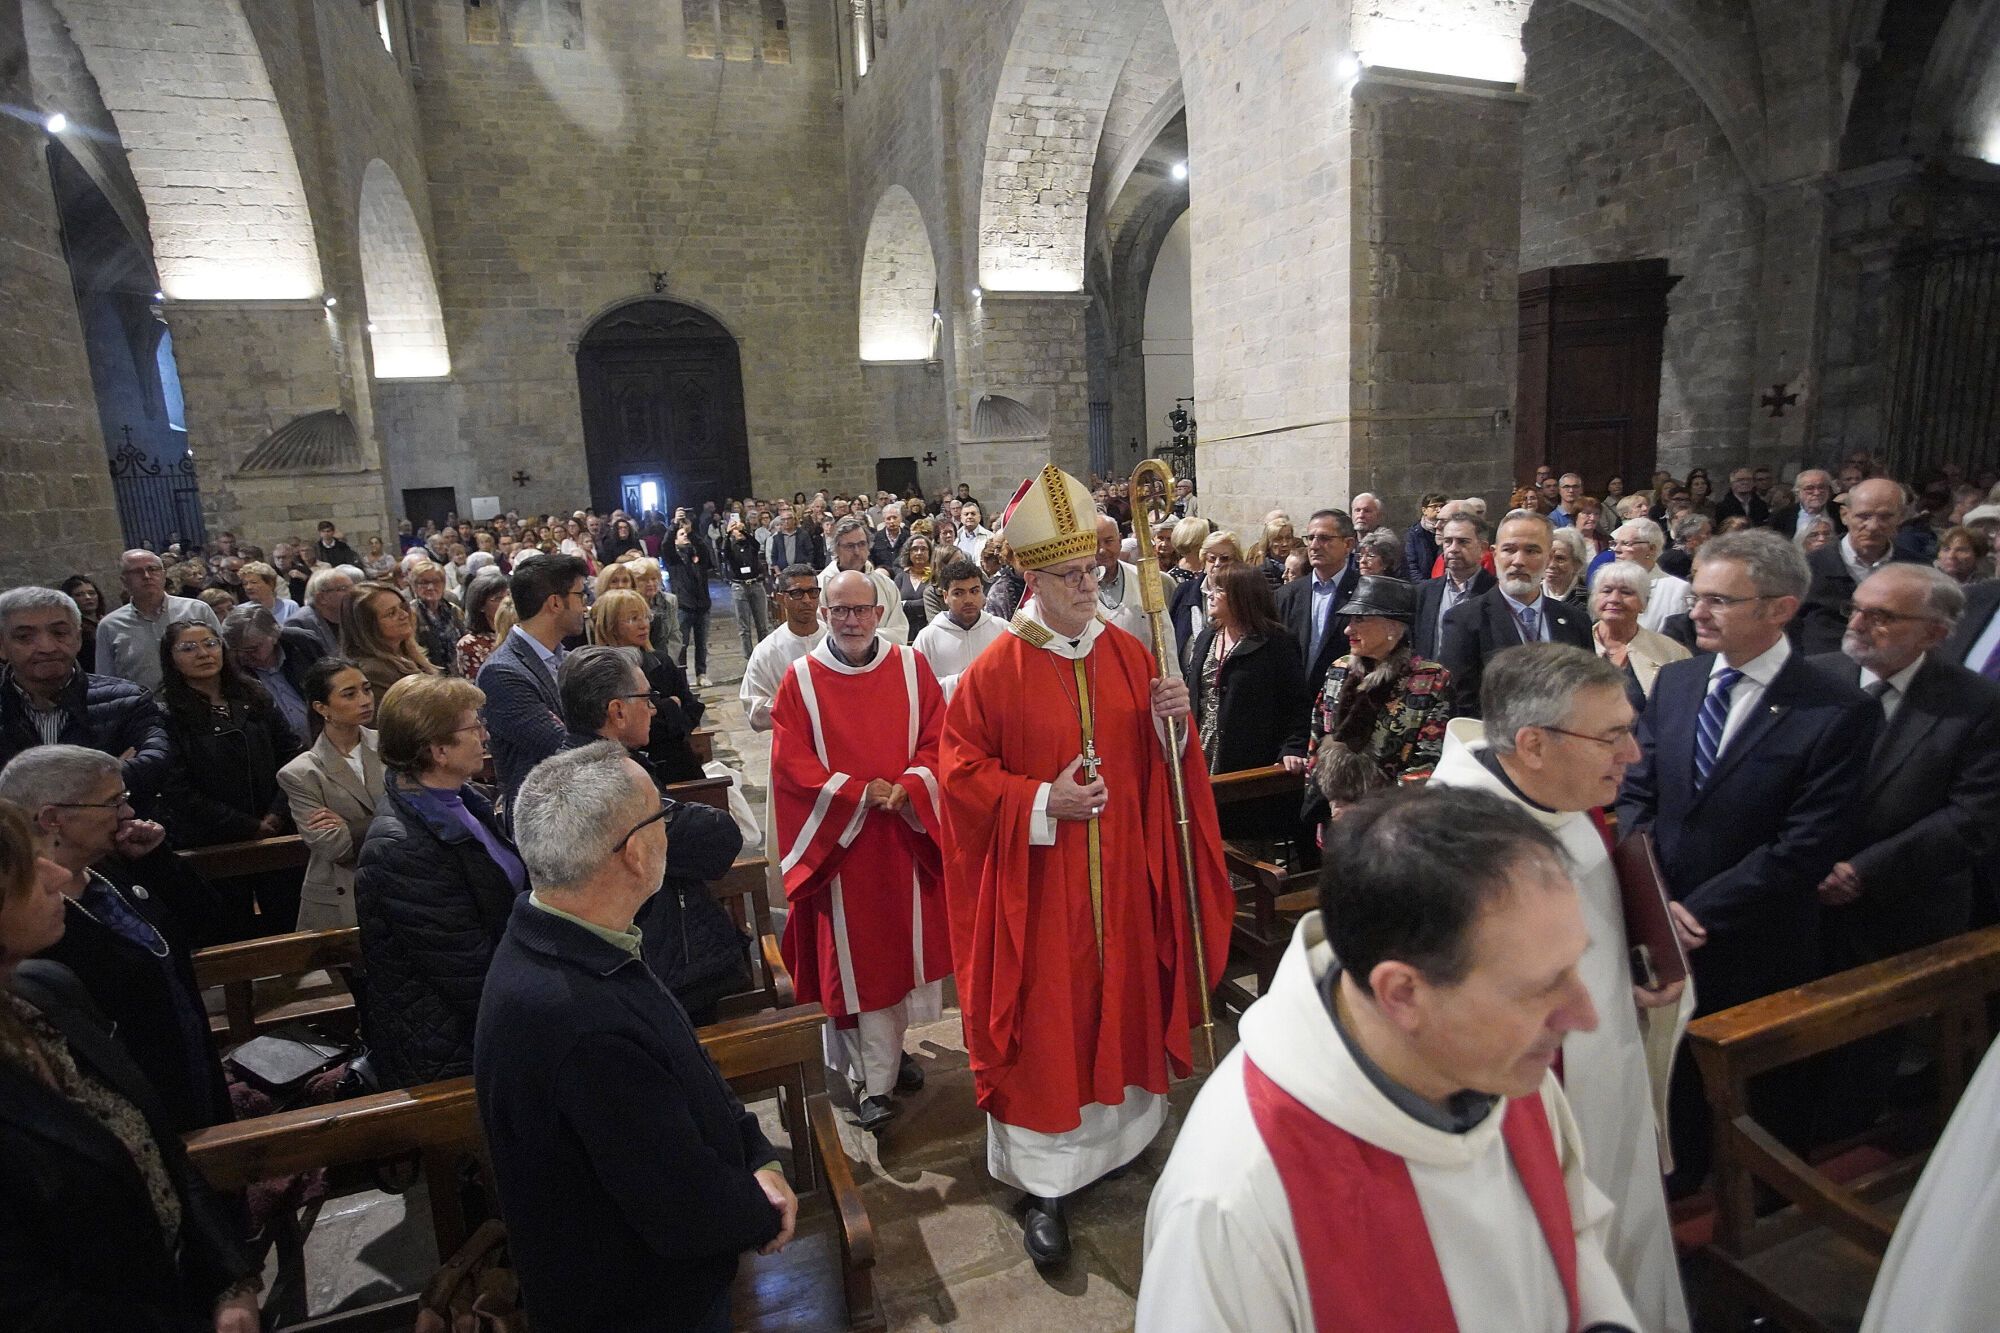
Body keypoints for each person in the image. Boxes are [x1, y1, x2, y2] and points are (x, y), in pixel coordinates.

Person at [1136, 787, 1638, 1332]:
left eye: (1573, 966)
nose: (1585, 1016)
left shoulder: (1502, 1059)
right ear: (1402, 994)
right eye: (1539, 988)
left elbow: (1569, 1231)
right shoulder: (1231, 1202)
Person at [941, 463, 1234, 1265]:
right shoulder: (993, 672)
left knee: (1122, 1000)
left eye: (1091, 569)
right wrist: (1045, 800)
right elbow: (961, 780)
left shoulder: (1132, 654)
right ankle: (1045, 1181)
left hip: (1124, 880)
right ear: (1032, 579)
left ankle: (1125, 1139)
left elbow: (1164, 769)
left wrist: (1175, 725)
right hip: (1040, 891)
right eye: (1069, 574)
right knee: (1050, 1024)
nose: (1086, 584)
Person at [477, 745, 794, 1331]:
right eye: (662, 814)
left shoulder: (577, 937)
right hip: (644, 1305)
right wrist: (763, 1210)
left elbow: (686, 1063)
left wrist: (758, 1154)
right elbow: (680, 1209)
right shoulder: (580, 1023)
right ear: (634, 851)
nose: (671, 827)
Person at [1430, 647, 1694, 1332]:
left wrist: (1631, 963)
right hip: (1532, 1108)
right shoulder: (1454, 851)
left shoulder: (1562, 796)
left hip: (1609, 1070)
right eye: (1612, 736)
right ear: (1533, 744)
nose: (1633, 754)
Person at [1615, 529, 1880, 1191]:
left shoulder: (1835, 708)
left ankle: (1763, 1212)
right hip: (1666, 927)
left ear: (1779, 608)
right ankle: (1681, 1189)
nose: (1696, 612)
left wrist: (1697, 911)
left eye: (1719, 600)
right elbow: (1636, 791)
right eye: (1696, 596)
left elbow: (1806, 844)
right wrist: (1655, 897)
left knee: (1763, 1103)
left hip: (1761, 938)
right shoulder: (1677, 681)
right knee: (1674, 1084)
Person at [0, 798, 262, 1331]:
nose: (56, 876)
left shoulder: (46, 989)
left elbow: (158, 1149)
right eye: (29, 867)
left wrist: (229, 1279)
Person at [771, 570, 950, 1131]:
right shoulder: (801, 680)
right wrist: (854, 794)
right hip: (840, 850)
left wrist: (914, 784)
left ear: (879, 612)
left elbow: (940, 740)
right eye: (840, 611)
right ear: (823, 614)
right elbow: (791, 768)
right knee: (855, 965)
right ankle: (872, 1084)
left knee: (897, 957)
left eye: (861, 610)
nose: (852, 621)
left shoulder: (911, 667)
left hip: (901, 837)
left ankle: (889, 1059)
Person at [1, 745, 238, 1132]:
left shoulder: (114, 866)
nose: (128, 812)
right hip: (131, 1106)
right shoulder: (33, 924)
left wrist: (158, 859)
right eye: (113, 802)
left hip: (193, 1070)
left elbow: (211, 923)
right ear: (52, 819)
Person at [1815, 565, 2000, 968]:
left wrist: (1863, 871)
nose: (1857, 624)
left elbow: (1974, 815)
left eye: (1880, 616)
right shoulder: (1812, 678)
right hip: (1801, 906)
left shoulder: (1978, 703)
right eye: (1855, 609)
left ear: (1934, 633)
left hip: (1906, 914)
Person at [556, 649, 746, 1022]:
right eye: (646, 697)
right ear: (617, 711)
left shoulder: (577, 763)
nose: (654, 708)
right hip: (660, 973)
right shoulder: (606, 782)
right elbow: (718, 838)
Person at [356, 674, 524, 1088]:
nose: (485, 735)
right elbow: (465, 972)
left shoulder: (466, 799)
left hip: (494, 1011)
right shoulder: (400, 848)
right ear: (438, 750)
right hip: (451, 1045)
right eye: (474, 726)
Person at [1293, 576, 1450, 830]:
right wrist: (1331, 800)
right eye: (1350, 620)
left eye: (1360, 619)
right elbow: (1316, 737)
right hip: (1334, 821)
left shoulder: (1431, 680)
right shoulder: (1339, 670)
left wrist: (1367, 811)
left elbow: (1428, 761)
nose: (1348, 630)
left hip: (1392, 827)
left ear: (1393, 628)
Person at [0, 587, 173, 807]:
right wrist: (103, 776)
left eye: (60, 633)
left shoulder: (127, 700)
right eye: (25, 637)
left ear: (78, 638)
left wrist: (25, 790)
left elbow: (156, 760)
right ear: (2, 646)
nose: (46, 647)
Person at [156, 619, 301, 878]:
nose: (203, 654)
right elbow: (176, 788)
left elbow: (292, 754)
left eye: (210, 644)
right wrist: (245, 825)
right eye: (188, 648)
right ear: (171, 659)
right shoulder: (167, 714)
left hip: (277, 826)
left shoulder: (253, 694)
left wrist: (278, 811)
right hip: (212, 840)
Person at [1440, 511, 1591, 719]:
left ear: (1548, 558)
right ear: (1494, 554)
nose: (1518, 561)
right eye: (1509, 550)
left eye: (1532, 551)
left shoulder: (1576, 621)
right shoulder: (1464, 620)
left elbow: (1587, 691)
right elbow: (1462, 704)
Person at [276, 657, 384, 931]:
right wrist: (395, 816)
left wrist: (352, 827)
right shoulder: (301, 773)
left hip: (400, 879)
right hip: (345, 892)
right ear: (322, 708)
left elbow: (422, 810)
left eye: (367, 689)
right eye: (349, 694)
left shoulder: (390, 746)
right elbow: (334, 845)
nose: (365, 700)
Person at [478, 553, 588, 813]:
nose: (585, 606)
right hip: (543, 815)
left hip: (580, 801)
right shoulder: (502, 673)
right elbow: (562, 747)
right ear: (555, 603)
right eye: (580, 596)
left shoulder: (567, 658)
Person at [1185, 562, 1309, 776]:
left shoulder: (1276, 642)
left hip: (1248, 757)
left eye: (1219, 590)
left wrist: (1293, 747)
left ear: (1241, 596)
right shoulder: (1207, 637)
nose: (1211, 595)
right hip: (1200, 751)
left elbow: (1297, 703)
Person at [1795, 478, 1926, 654]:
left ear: (1901, 517)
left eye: (1885, 517)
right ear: (1845, 515)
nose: (1873, 526)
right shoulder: (1808, 568)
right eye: (1864, 516)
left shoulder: (1918, 571)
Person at [591, 588, 705, 783]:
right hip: (629, 769)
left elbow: (691, 707)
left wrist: (665, 716)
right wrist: (669, 706)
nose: (643, 625)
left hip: (677, 761)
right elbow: (621, 727)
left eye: (646, 617)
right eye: (633, 619)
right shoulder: (602, 671)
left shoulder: (661, 661)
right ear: (611, 626)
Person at [94, 549, 224, 693]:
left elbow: (223, 655)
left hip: (200, 699)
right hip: (143, 704)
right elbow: (107, 678)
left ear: (163, 574)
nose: (146, 576)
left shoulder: (197, 610)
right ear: (124, 580)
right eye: (137, 572)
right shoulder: (110, 625)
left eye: (153, 569)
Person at [1274, 508, 1360, 690]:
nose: (1314, 545)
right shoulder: (1287, 595)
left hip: (1342, 695)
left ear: (1348, 544)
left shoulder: (1362, 593)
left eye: (1324, 538)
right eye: (1310, 538)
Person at [1590, 560, 1691, 709]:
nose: (1614, 599)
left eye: (1626, 592)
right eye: (1606, 591)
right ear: (1594, 598)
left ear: (1644, 602)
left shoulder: (1672, 653)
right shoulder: (1573, 642)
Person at [739, 564, 823, 734]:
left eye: (813, 592)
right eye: (797, 593)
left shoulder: (835, 639)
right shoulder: (766, 651)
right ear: (780, 598)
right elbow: (755, 711)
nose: (807, 600)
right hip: (792, 739)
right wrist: (804, 711)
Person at [912, 555, 1007, 701]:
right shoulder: (928, 637)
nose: (968, 600)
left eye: (974, 591)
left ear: (982, 592)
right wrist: (959, 681)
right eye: (958, 593)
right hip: (948, 713)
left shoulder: (1002, 630)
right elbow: (917, 688)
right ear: (945, 596)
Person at [1092, 513, 1179, 661]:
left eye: (1108, 541)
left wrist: (1171, 672)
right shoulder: (1074, 585)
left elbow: (1164, 635)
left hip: (1140, 670)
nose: (1102, 550)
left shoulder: (1145, 579)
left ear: (1120, 540)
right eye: (1095, 543)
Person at [340, 582, 439, 707]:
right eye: (391, 613)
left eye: (402, 607)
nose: (404, 615)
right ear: (368, 627)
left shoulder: (407, 654)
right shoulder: (372, 672)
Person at [1413, 513, 1495, 661]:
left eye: (1463, 542)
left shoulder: (1495, 592)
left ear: (1483, 548)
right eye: (1448, 541)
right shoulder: (1425, 591)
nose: (1453, 548)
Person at [816, 517, 911, 644]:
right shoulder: (820, 585)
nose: (857, 552)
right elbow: (819, 633)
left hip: (880, 654)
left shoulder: (886, 585)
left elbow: (899, 631)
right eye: (850, 546)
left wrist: (862, 636)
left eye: (861, 544)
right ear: (836, 549)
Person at [1606, 517, 1692, 634]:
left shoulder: (1676, 589)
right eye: (1615, 544)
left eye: (1626, 543)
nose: (1617, 549)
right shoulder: (1608, 585)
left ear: (1651, 549)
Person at [665, 521, 715, 686]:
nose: (685, 535)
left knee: (701, 643)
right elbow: (666, 545)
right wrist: (674, 526)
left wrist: (691, 531)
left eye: (686, 533)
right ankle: (682, 676)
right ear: (675, 540)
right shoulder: (673, 558)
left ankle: (701, 674)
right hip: (684, 606)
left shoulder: (698, 555)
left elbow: (704, 549)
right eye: (681, 534)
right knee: (682, 643)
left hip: (702, 606)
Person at [720, 518, 771, 657]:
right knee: (744, 626)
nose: (739, 532)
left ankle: (764, 654)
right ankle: (748, 655)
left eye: (740, 529)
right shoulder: (731, 548)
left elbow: (756, 543)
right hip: (740, 586)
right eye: (736, 530)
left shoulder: (751, 546)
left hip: (755, 584)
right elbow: (724, 551)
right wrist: (728, 533)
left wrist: (743, 531)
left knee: (762, 624)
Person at [407, 562, 466, 675]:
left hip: (458, 673)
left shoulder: (453, 610)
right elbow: (412, 650)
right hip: (429, 676)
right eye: (424, 583)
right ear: (414, 586)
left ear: (443, 584)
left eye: (436, 581)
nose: (431, 587)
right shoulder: (410, 614)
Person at [453, 568, 510, 679]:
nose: (507, 601)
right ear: (481, 606)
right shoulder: (469, 644)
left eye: (508, 595)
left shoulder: (519, 632)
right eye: (498, 598)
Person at [289, 567, 354, 656]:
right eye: (343, 588)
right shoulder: (300, 624)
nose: (353, 592)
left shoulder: (352, 616)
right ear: (322, 598)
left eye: (352, 587)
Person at [1770, 467, 1843, 539]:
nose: (1817, 493)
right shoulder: (1781, 516)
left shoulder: (1840, 511)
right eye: (1809, 488)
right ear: (1798, 492)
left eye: (1821, 487)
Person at [59, 574, 107, 671]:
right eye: (79, 595)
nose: (88, 597)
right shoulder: (73, 628)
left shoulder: (106, 621)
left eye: (92, 593)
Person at [895, 532, 935, 635]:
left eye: (923, 549)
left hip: (929, 631)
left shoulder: (935, 576)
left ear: (930, 552)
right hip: (905, 632)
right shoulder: (901, 577)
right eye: (915, 549)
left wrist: (906, 604)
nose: (919, 553)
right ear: (908, 553)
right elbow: (895, 606)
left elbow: (931, 602)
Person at [764, 506, 823, 574]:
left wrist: (807, 569)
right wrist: (778, 572)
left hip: (801, 572)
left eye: (789, 519)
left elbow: (810, 552)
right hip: (783, 572)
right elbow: (774, 556)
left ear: (794, 520)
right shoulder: (777, 537)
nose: (786, 521)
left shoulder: (803, 535)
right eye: (783, 519)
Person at [1404, 492, 1446, 583]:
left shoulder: (1449, 529)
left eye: (1442, 506)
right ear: (1424, 510)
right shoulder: (1414, 533)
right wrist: (1422, 585)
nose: (1439, 510)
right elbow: (1411, 564)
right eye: (1434, 506)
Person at [1544, 526, 1590, 608]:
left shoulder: (1588, 600)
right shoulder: (1528, 594)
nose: (1551, 565)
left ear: (1577, 564)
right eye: (1547, 557)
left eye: (1560, 558)